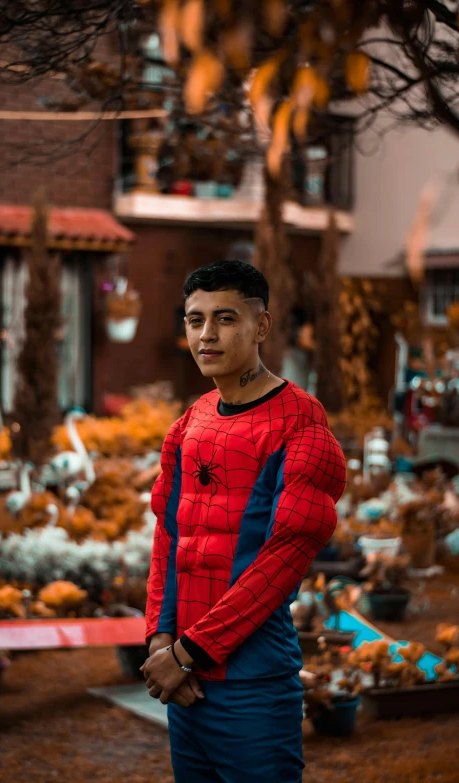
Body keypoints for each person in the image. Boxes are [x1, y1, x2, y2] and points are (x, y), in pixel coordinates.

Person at [141, 260, 346, 783]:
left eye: (225, 318)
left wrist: (186, 654)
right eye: (194, 320)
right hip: (185, 686)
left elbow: (280, 564)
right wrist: (159, 642)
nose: (207, 335)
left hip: (251, 685)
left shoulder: (302, 423)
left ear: (261, 326)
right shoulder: (189, 422)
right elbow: (168, 539)